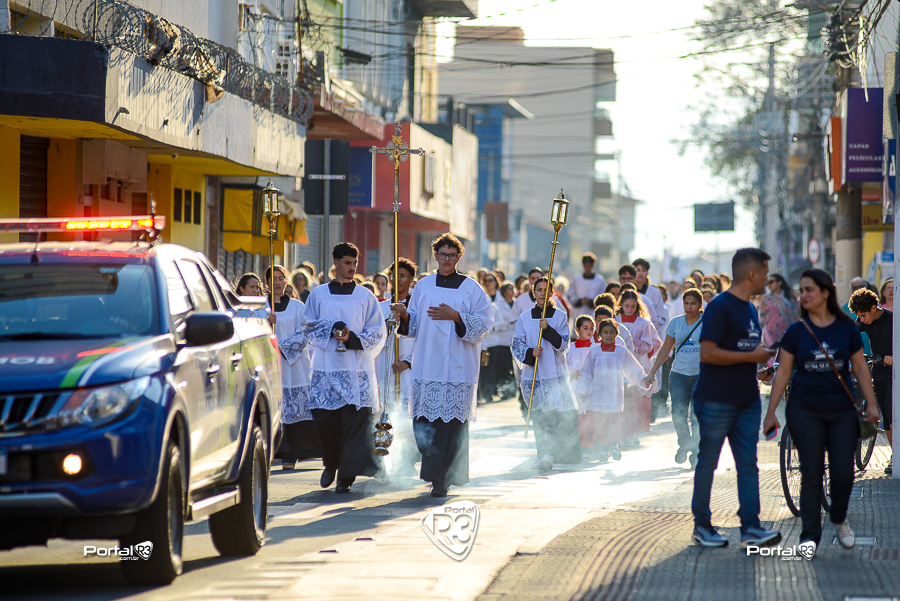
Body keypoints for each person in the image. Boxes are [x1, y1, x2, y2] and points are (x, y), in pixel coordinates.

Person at [763, 270, 879, 556]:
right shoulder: (796, 332)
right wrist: (771, 411)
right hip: (804, 410)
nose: (803, 295)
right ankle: (809, 535)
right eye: (801, 290)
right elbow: (783, 372)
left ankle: (838, 518)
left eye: (809, 290)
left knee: (843, 473)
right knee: (811, 473)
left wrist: (871, 403)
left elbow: (859, 367)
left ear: (826, 292)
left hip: (841, 410)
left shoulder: (846, 329)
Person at [690, 248, 781, 549]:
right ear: (751, 274)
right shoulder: (720, 306)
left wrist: (760, 367)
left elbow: (744, 352)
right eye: (764, 273)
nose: (767, 279)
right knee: (708, 462)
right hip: (716, 399)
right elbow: (708, 353)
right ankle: (702, 525)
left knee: (748, 464)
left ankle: (750, 527)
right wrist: (751, 356)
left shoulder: (751, 309)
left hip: (747, 399)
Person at [393, 233, 494, 497]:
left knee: (451, 427)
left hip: (458, 365)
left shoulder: (471, 288)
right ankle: (433, 472)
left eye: (451, 255)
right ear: (435, 256)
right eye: (442, 254)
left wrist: (457, 316)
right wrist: (404, 315)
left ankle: (442, 479)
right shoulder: (424, 285)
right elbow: (414, 323)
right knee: (424, 423)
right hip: (428, 363)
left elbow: (485, 325)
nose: (446, 259)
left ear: (459, 257)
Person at [301, 242, 386, 493]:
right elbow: (305, 325)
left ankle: (345, 477)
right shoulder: (318, 295)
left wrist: (351, 338)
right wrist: (330, 329)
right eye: (347, 262)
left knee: (353, 427)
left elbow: (377, 331)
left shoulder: (365, 296)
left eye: (355, 263)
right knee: (324, 423)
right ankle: (330, 464)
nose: (352, 267)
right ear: (335, 263)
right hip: (325, 369)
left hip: (355, 370)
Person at [512, 277, 580, 471]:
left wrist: (548, 330)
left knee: (556, 415)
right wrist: (530, 352)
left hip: (555, 374)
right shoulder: (525, 317)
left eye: (546, 290)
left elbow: (564, 345)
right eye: (538, 289)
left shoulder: (559, 316)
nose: (542, 293)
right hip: (533, 374)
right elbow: (516, 344)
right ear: (533, 292)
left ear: (551, 293)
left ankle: (556, 453)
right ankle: (543, 454)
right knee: (540, 417)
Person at [264, 265, 320, 470]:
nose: (277, 282)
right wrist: (265, 323)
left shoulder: (297, 306)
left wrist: (282, 349)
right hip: (270, 364)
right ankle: (276, 451)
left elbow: (304, 332)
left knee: (295, 410)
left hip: (294, 365)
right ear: (267, 283)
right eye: (273, 279)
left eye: (281, 278)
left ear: (286, 281)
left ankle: (293, 453)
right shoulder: (262, 307)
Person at [643, 289, 704, 467]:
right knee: (678, 414)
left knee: (697, 416)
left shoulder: (708, 322)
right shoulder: (675, 323)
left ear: (700, 305)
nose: (689, 307)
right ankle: (685, 443)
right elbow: (665, 349)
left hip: (701, 375)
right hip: (678, 375)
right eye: (686, 303)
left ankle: (696, 452)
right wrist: (652, 372)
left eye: (693, 303)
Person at [574, 318, 647, 463]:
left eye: (612, 332)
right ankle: (603, 449)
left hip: (614, 394)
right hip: (597, 394)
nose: (609, 335)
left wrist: (644, 379)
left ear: (616, 334)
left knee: (613, 421)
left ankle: (614, 445)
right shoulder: (594, 350)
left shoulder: (621, 351)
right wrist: (582, 390)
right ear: (600, 334)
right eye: (605, 332)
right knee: (599, 422)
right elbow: (587, 372)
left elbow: (632, 368)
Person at [376, 258, 419, 477]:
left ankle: (406, 462)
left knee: (406, 416)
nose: (398, 280)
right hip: (387, 366)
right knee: (386, 414)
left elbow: (423, 338)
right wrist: (388, 324)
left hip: (409, 369)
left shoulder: (417, 306)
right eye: (394, 276)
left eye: (403, 276)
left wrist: (409, 361)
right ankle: (384, 460)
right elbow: (375, 337)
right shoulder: (381, 306)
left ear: (411, 279)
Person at [849, 288, 893, 474]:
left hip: (894, 373)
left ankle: (897, 456)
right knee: (886, 416)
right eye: (859, 316)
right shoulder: (862, 321)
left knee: (891, 410)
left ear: (874, 308)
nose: (862, 319)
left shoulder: (892, 320)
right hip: (879, 371)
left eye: (864, 315)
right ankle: (896, 455)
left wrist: (893, 356)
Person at [480, 278, 517, 403]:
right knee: (487, 370)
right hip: (486, 343)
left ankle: (505, 391)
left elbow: (500, 322)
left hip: (496, 342)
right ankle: (485, 394)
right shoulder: (478, 309)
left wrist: (491, 327)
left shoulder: (493, 307)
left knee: (496, 369)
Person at [759, 273, 798, 367]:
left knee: (788, 359)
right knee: (773, 360)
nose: (769, 285)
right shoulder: (766, 299)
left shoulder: (791, 297)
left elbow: (797, 315)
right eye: (767, 283)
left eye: (771, 282)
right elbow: (762, 318)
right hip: (771, 334)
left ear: (779, 282)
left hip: (788, 332)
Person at [568, 253, 608, 320]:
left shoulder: (600, 280)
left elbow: (604, 296)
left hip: (594, 313)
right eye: (586, 266)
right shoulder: (577, 279)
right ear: (583, 265)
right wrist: (580, 301)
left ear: (593, 265)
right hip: (578, 312)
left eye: (589, 266)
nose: (588, 268)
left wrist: (592, 302)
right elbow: (570, 294)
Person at [633, 258, 668, 332]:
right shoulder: (630, 291)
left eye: (644, 271)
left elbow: (662, 318)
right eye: (638, 270)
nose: (641, 273)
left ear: (647, 273)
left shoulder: (655, 292)